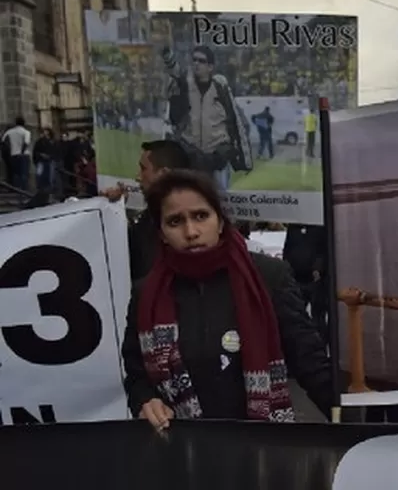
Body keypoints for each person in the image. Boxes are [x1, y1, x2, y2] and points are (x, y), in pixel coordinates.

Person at [121, 169, 333, 430]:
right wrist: (146, 400)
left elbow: (310, 363)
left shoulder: (268, 277)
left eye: (201, 216)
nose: (191, 231)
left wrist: (361, 428)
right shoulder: (147, 294)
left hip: (262, 450)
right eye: (175, 221)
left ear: (220, 221)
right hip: (181, 452)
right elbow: (137, 375)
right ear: (161, 233)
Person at [101, 140, 191, 281]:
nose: (138, 177)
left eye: (143, 169)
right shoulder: (151, 216)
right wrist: (114, 210)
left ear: (164, 174)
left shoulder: (182, 223)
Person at [164, 45, 251, 189]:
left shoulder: (221, 88)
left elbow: (239, 123)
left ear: (211, 67)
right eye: (194, 60)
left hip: (217, 160)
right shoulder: (185, 87)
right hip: (191, 159)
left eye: (201, 61)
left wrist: (241, 159)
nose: (196, 63)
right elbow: (174, 119)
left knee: (220, 203)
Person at [1, 117, 31, 191]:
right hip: (24, 155)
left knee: (15, 174)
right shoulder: (26, 132)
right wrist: (22, 151)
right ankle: (23, 190)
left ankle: (16, 189)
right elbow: (26, 143)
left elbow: (3, 141)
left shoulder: (9, 132)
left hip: (13, 154)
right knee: (24, 174)